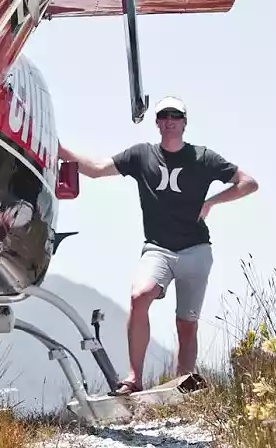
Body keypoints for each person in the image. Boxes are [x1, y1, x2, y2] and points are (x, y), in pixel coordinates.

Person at [58, 95, 258, 395]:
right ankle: (134, 379)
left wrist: (211, 202)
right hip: (158, 249)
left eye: (175, 116)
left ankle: (183, 387)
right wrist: (60, 151)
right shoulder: (142, 155)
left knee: (186, 324)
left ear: (184, 123)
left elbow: (248, 183)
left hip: (196, 250)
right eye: (164, 116)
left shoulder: (203, 158)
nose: (169, 121)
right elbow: (97, 169)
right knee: (140, 295)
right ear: (157, 122)